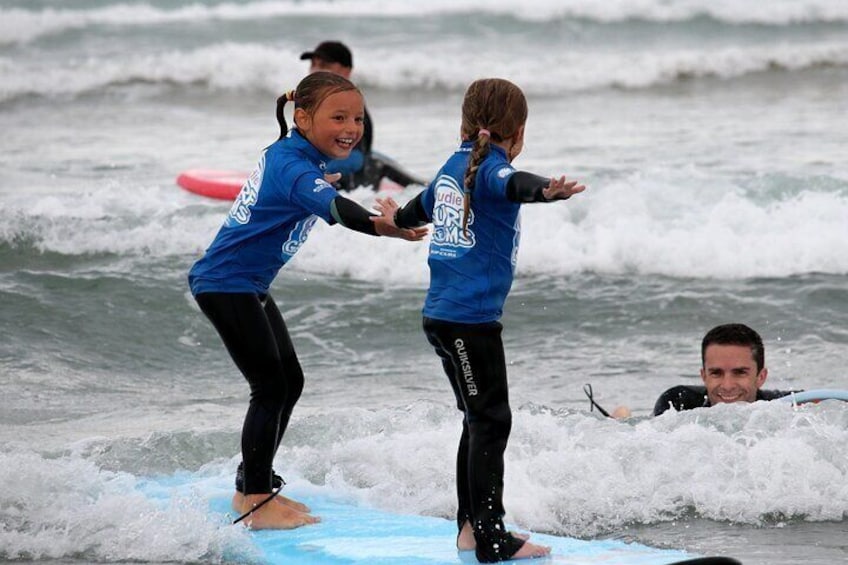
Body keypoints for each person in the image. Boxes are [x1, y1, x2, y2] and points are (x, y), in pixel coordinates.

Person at [188, 71, 427, 530]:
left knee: (288, 381)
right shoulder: (295, 167)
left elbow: (317, 191)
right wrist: (385, 226)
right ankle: (257, 500)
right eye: (338, 117)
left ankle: (251, 484)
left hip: (247, 283)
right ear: (302, 118)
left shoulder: (295, 155)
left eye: (356, 118)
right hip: (227, 282)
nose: (352, 127)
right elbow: (337, 208)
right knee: (270, 387)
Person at [377, 78, 586, 562]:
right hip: (469, 323)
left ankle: (471, 529)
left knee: (478, 421)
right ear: (518, 132)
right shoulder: (487, 171)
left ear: (465, 124)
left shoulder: (452, 168)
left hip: (442, 317)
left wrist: (395, 216)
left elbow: (413, 211)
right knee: (491, 421)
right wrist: (546, 192)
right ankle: (491, 537)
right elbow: (513, 184)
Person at [299, 40, 426, 191]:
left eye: (324, 65)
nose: (315, 70)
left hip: (352, 162)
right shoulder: (313, 99)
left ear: (345, 71)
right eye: (313, 64)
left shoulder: (346, 100)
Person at [609, 323, 794, 419]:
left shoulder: (786, 406)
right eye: (716, 373)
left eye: (740, 372)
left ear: (761, 377)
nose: (727, 385)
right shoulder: (678, 402)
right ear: (703, 376)